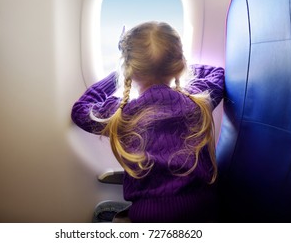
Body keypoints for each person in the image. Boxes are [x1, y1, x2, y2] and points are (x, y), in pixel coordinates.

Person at [71, 21, 225, 222]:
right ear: (178, 64)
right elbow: (219, 74)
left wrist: (119, 73)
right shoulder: (198, 101)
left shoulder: (123, 114)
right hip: (204, 211)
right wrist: (176, 63)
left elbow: (80, 109)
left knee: (104, 212)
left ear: (130, 69)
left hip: (148, 216)